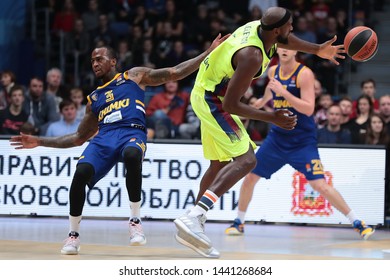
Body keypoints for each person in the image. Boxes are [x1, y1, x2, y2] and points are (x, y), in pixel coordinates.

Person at [9, 33, 229, 255]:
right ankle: (73, 235)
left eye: (100, 59)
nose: (95, 63)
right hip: (104, 138)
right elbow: (77, 138)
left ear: (113, 61)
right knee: (80, 173)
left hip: (131, 132)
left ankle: (135, 220)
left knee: (133, 155)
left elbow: (174, 72)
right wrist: (38, 141)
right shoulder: (94, 98)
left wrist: (207, 53)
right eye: (92, 60)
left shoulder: (133, 76)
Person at [173, 7, 345, 258]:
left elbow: (286, 39)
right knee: (247, 159)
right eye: (289, 25)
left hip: (204, 90)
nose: (292, 29)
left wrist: (318, 49)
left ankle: (193, 225)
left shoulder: (262, 29)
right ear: (276, 29)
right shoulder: (252, 55)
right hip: (212, 99)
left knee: (218, 163)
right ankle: (194, 216)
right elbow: (231, 105)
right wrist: (272, 117)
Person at [225, 47, 374, 243]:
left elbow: (309, 108)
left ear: (296, 51)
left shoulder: (304, 74)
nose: (285, 50)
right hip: (277, 139)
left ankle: (357, 222)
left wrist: (284, 93)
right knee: (250, 177)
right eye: (282, 47)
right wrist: (263, 101)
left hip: (302, 141)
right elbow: (272, 88)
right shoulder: (273, 70)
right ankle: (239, 222)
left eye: (289, 47)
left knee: (319, 184)